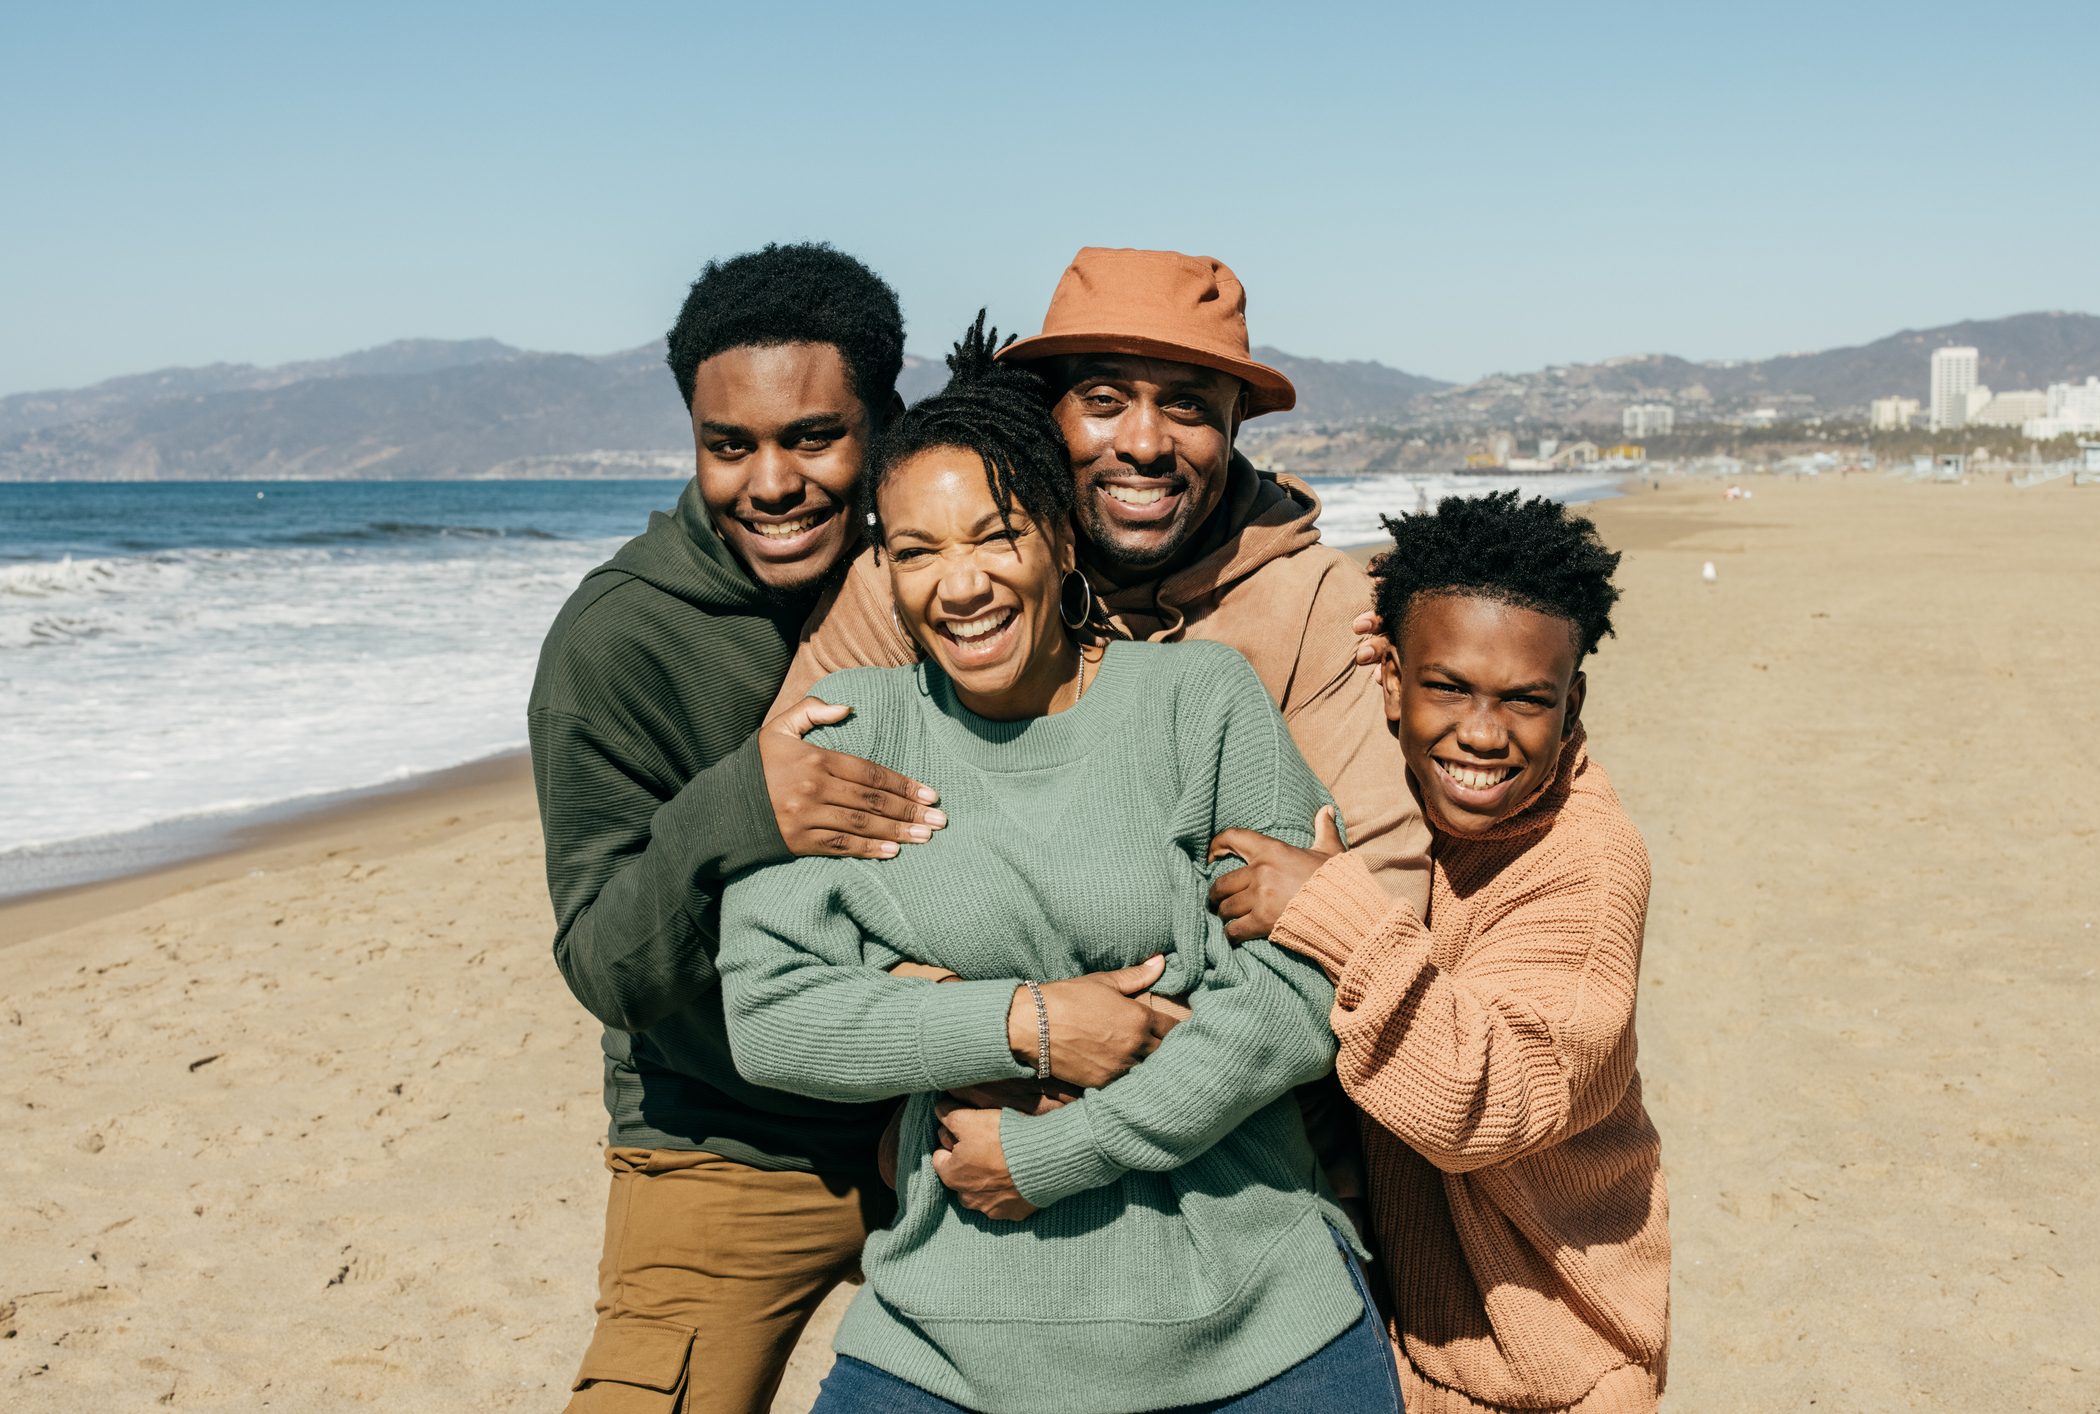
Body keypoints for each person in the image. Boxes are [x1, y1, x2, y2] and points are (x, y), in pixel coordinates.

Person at [716, 320, 1405, 1413]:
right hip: (944, 1337)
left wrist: (1052, 1151)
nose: (960, 585)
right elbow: (770, 1014)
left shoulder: (1199, 703)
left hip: (1255, 1324)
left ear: (1061, 541)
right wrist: (1025, 1022)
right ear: (880, 568)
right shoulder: (847, 734)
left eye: (995, 536)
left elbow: (1292, 998)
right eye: (916, 550)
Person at [530, 244, 974, 1414]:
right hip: (725, 1141)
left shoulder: (956, 581)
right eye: (730, 447)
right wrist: (737, 814)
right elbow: (602, 961)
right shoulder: (618, 638)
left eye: (814, 437)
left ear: (883, 425)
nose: (770, 481)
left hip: (947, 1112)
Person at [772, 246, 1430, 901]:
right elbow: (791, 821)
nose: (1144, 444)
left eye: (1188, 407)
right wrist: (976, 1001)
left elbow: (1374, 887)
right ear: (1046, 410)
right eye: (1104, 398)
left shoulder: (1318, 605)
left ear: (1235, 423)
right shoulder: (931, 579)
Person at [1207, 493, 1672, 1412]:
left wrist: (1331, 908)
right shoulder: (1398, 794)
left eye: (1527, 700)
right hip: (1415, 1347)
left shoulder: (1586, 864)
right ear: (1389, 680)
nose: (1483, 734)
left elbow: (1481, 1101)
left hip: (1557, 1372)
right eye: (1448, 687)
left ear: (1571, 701)